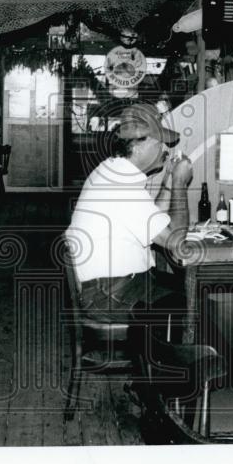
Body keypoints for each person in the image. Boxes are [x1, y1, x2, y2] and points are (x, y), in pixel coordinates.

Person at [66, 102, 192, 322]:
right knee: (195, 303)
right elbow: (176, 242)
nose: (165, 150)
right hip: (109, 293)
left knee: (189, 291)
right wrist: (181, 182)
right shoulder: (122, 186)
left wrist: (170, 181)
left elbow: (155, 221)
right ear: (138, 145)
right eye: (160, 143)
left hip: (110, 285)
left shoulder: (112, 171)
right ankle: (168, 356)